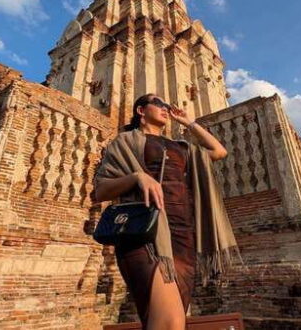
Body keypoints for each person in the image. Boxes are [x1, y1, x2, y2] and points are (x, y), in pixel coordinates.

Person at [92, 93, 243, 330]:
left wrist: (189, 122)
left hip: (183, 238)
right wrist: (137, 177)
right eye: (158, 103)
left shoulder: (181, 147)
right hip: (147, 235)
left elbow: (218, 151)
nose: (165, 107)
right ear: (141, 111)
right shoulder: (126, 142)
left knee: (168, 322)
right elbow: (101, 191)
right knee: (170, 324)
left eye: (166, 105)